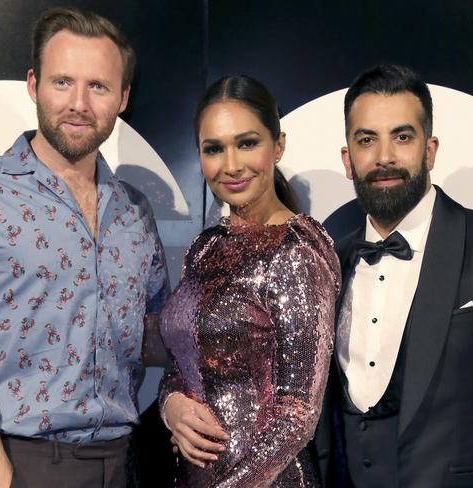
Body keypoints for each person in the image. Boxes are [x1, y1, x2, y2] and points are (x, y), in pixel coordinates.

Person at [0, 7, 169, 488]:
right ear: (33, 85)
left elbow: (152, 339)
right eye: (62, 82)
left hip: (125, 463)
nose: (79, 103)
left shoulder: (135, 212)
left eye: (98, 86)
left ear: (122, 97)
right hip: (20, 465)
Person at [315, 64, 473, 487]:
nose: (384, 156)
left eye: (402, 137)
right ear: (347, 159)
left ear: (430, 150)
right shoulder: (329, 263)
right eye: (366, 139)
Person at [158, 75, 341, 487]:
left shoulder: (297, 252)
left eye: (247, 143)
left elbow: (296, 415)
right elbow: (181, 364)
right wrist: (171, 406)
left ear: (278, 146)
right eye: (214, 149)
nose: (232, 165)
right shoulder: (205, 247)